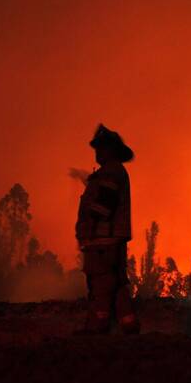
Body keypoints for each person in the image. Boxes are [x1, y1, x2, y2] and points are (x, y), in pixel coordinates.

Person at [76, 124, 139, 334]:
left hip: (103, 241)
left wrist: (89, 224)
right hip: (110, 240)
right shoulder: (111, 172)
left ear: (111, 150)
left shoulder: (111, 172)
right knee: (117, 286)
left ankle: (97, 327)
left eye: (101, 148)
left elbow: (104, 204)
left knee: (101, 285)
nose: (98, 152)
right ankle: (129, 325)